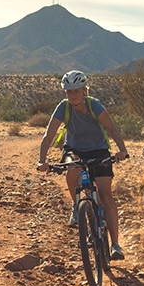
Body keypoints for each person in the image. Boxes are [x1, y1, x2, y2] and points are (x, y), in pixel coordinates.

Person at [37, 70, 130, 260]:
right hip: (75, 149)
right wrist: (42, 160)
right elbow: (49, 135)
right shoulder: (63, 108)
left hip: (99, 150)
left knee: (105, 195)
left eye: (76, 91)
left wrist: (122, 150)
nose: (72, 96)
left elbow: (111, 128)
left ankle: (115, 245)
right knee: (72, 169)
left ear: (84, 90)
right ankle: (76, 204)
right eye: (69, 92)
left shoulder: (93, 105)